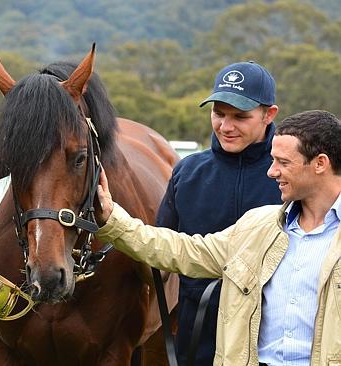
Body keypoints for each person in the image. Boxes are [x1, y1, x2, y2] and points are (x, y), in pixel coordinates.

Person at [95, 109, 341, 365]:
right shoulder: (259, 226)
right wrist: (113, 221)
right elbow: (185, 251)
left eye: (284, 162)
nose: (272, 172)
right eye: (272, 160)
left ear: (320, 164)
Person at [155, 61, 282, 365]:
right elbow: (160, 249)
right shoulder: (187, 172)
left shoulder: (288, 174)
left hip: (269, 344)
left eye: (240, 116)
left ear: (269, 114)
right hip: (196, 341)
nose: (226, 126)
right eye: (219, 114)